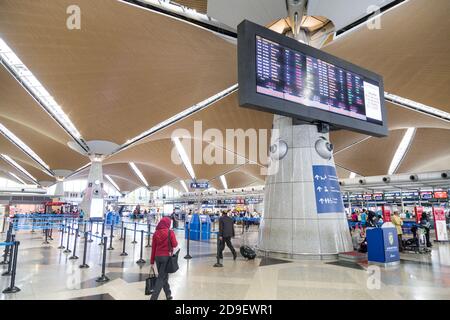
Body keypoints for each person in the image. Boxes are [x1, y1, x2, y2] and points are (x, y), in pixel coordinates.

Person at [150, 217, 178, 300]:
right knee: (161, 278)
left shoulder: (156, 233)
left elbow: (153, 248)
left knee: (163, 276)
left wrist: (152, 261)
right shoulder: (170, 232)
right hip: (166, 257)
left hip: (157, 257)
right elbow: (175, 244)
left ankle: (168, 294)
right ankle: (153, 298)